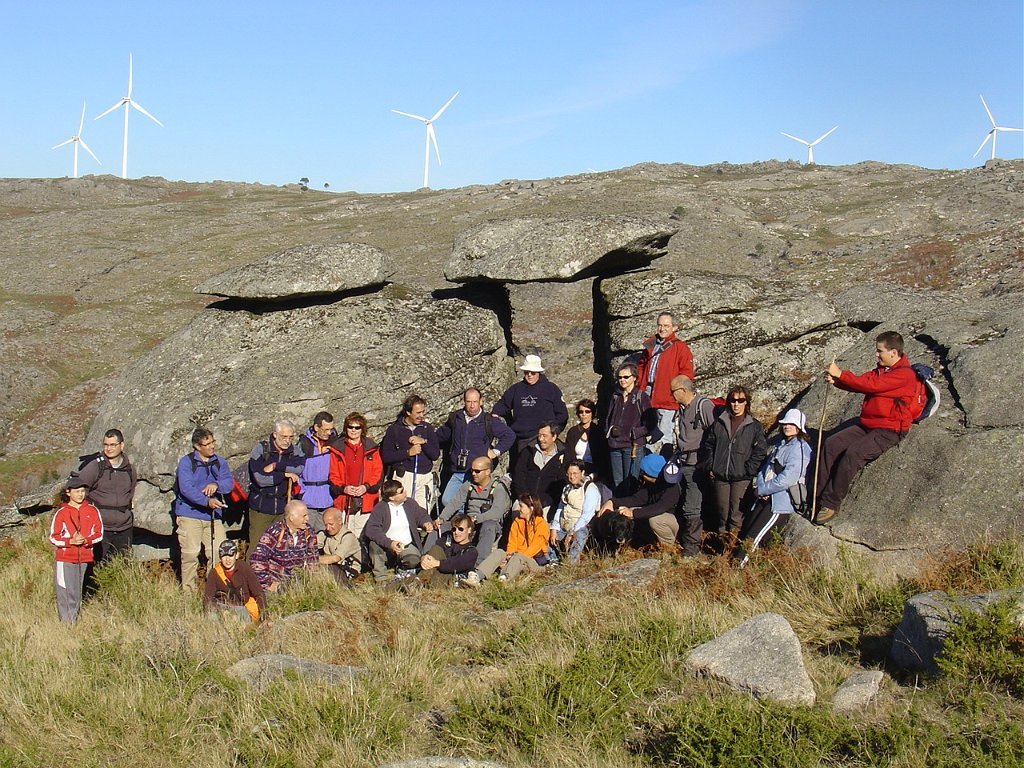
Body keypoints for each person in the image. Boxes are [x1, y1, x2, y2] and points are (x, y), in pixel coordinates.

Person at [816, 331, 925, 525]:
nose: (876, 354)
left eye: (879, 351)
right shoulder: (882, 370)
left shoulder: (904, 375)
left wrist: (841, 373)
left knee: (854, 453)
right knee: (832, 444)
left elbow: (872, 385)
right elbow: (863, 384)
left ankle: (831, 503)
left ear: (893, 352)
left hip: (890, 429)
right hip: (869, 423)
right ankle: (818, 495)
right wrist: (839, 382)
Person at [735, 409, 812, 568]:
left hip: (780, 503)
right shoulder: (780, 445)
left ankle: (737, 570)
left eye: (791, 424)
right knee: (748, 533)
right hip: (765, 498)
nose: (787, 426)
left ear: (799, 427)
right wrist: (761, 488)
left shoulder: (800, 449)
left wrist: (763, 490)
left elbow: (788, 478)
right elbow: (765, 469)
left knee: (755, 538)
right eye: (785, 423)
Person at [704, 385, 768, 550]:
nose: (736, 404)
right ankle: (722, 549)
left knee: (736, 515)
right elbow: (708, 445)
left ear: (747, 403)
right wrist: (711, 466)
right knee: (722, 513)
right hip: (721, 477)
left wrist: (749, 469)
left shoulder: (754, 426)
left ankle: (733, 549)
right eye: (733, 400)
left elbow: (760, 451)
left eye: (740, 401)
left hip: (741, 478)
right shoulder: (719, 423)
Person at [174, 427, 234, 592]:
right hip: (190, 515)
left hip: (214, 516)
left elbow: (229, 483)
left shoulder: (220, 462)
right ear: (197, 446)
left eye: (212, 442)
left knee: (219, 553)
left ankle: (215, 591)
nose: (211, 447)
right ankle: (188, 593)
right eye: (207, 444)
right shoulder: (186, 463)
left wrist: (217, 485)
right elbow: (186, 489)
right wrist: (206, 501)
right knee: (190, 555)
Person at [436, 388, 516, 508]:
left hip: (478, 472)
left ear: (481, 402)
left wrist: (496, 451)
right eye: (469, 402)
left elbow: (509, 435)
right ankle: (465, 521)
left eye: (475, 402)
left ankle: (468, 523)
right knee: (447, 501)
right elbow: (440, 436)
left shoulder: (488, 420)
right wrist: (424, 439)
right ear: (464, 402)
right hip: (458, 470)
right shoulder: (456, 418)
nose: (472, 406)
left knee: (473, 503)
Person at [433, 456, 511, 567]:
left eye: (477, 471)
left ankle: (477, 566)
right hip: (468, 525)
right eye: (472, 470)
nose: (473, 474)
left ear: (488, 472)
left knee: (489, 526)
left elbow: (497, 512)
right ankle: (428, 559)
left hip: (488, 524)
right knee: (440, 527)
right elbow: (455, 503)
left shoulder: (498, 488)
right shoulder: (468, 486)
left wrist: (476, 519)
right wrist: (441, 518)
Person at [669, 375, 716, 556]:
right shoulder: (682, 409)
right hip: (683, 463)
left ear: (683, 390)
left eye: (673, 391)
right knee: (684, 503)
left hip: (697, 465)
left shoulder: (703, 406)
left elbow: (715, 433)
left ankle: (691, 550)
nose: (671, 396)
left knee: (692, 506)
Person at [492, 355, 568, 466]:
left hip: (541, 439)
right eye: (527, 372)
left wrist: (552, 433)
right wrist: (495, 414)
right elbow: (503, 404)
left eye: (533, 372)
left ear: (539, 373)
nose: (529, 375)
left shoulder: (551, 389)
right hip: (519, 440)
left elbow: (562, 415)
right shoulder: (516, 389)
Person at [598, 453, 681, 552]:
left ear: (652, 473)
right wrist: (613, 502)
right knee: (626, 511)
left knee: (655, 520)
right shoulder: (650, 485)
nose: (641, 475)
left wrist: (633, 513)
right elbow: (636, 499)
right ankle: (651, 544)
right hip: (657, 516)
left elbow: (659, 507)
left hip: (670, 521)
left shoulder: (672, 488)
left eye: (643, 472)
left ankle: (668, 548)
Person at [77, 428, 137, 561]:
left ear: (122, 445)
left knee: (122, 566)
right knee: (97, 569)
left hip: (124, 528)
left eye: (112, 445)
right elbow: (78, 489)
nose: (108, 448)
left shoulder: (129, 469)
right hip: (100, 528)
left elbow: (130, 492)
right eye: (106, 445)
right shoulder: (95, 467)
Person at [637, 312, 695, 450]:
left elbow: (687, 374)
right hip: (648, 393)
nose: (662, 329)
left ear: (674, 328)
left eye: (666, 326)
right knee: (647, 433)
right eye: (660, 325)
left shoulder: (680, 348)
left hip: (667, 396)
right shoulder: (651, 345)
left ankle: (663, 467)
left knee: (664, 435)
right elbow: (641, 367)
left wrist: (676, 394)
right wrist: (639, 386)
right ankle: (648, 466)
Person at [49, 476, 104, 623]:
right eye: (77, 491)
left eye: (83, 491)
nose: (81, 494)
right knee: (64, 592)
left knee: (77, 593)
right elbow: (53, 537)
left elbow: (99, 533)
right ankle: (67, 624)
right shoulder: (61, 513)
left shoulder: (92, 511)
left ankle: (73, 622)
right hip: (65, 558)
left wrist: (87, 540)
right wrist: (70, 541)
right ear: (68, 493)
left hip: (85, 557)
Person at [247, 419, 306, 552]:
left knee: (280, 545)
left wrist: (276, 466)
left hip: (282, 506)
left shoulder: (295, 451)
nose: (287, 441)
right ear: (275, 434)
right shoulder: (261, 450)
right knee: (257, 546)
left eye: (291, 437)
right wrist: (284, 475)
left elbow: (300, 468)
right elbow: (260, 479)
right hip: (261, 506)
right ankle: (250, 572)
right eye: (284, 437)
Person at [327, 412, 384, 546]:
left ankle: (360, 562)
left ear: (362, 429)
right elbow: (333, 474)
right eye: (350, 427)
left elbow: (378, 472)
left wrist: (366, 487)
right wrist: (344, 488)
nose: (353, 430)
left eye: (357, 427)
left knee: (362, 533)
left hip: (366, 498)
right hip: (344, 498)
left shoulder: (372, 448)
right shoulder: (337, 448)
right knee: (344, 532)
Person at [363, 480, 434, 583]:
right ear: (392, 497)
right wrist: (389, 543)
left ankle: (401, 570)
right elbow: (371, 530)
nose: (405, 492)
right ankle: (381, 579)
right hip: (386, 547)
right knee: (374, 546)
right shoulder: (380, 508)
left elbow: (421, 515)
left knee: (414, 561)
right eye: (401, 492)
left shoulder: (410, 503)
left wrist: (425, 523)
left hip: (406, 545)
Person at [471, 494, 551, 584]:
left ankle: (504, 578)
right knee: (499, 552)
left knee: (518, 557)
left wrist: (512, 559)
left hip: (533, 562)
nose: (519, 509)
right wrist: (508, 557)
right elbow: (512, 543)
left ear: (531, 508)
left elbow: (534, 548)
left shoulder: (541, 524)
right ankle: (477, 575)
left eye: (521, 506)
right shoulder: (517, 522)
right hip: (516, 559)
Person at [380, 394, 441, 512]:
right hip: (404, 476)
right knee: (402, 511)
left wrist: (423, 442)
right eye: (418, 412)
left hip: (424, 476)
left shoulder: (427, 428)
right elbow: (386, 456)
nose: (421, 415)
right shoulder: (395, 429)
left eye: (423, 412)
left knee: (422, 512)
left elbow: (435, 455)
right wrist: (408, 453)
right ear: (408, 412)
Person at [248, 500, 319, 593]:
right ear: (292, 518)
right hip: (275, 585)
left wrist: (314, 583)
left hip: (299, 585)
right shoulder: (275, 531)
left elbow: (313, 560)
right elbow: (257, 559)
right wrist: (268, 583)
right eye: (304, 516)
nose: (307, 519)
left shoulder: (309, 533)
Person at [604, 363, 651, 493]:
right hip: (615, 445)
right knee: (617, 483)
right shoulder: (615, 397)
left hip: (633, 446)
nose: (622, 380)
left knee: (631, 482)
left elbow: (651, 422)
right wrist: (608, 432)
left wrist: (635, 433)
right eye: (620, 377)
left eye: (626, 377)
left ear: (634, 378)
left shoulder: (641, 397)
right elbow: (609, 417)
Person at [549, 460, 602, 565]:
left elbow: (587, 515)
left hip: (581, 527)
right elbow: (560, 508)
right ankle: (552, 561)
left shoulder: (590, 489)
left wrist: (572, 532)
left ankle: (570, 564)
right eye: (569, 474)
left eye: (575, 474)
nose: (572, 477)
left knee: (579, 535)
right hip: (564, 524)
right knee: (546, 533)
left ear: (582, 473)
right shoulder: (567, 488)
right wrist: (554, 528)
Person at [511, 422, 567, 516]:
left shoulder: (564, 456)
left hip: (547, 503)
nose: (541, 439)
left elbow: (561, 483)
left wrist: (544, 502)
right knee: (517, 514)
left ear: (554, 437)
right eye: (539, 435)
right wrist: (526, 498)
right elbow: (519, 476)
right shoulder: (528, 451)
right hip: (525, 499)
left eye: (544, 436)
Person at [203, 539, 266, 623]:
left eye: (231, 555)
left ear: (236, 555)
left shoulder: (244, 568)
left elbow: (259, 593)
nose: (227, 559)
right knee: (211, 617)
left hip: (242, 609)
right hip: (222, 609)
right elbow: (208, 599)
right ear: (220, 557)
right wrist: (219, 611)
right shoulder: (214, 573)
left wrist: (265, 617)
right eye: (224, 556)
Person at [297, 411, 337, 533]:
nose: (329, 433)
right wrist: (302, 492)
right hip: (308, 500)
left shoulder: (334, 442)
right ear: (316, 427)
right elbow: (296, 471)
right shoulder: (304, 444)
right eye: (325, 430)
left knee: (324, 536)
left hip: (327, 498)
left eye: (331, 429)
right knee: (305, 535)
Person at [417, 513, 478, 588]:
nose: (456, 532)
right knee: (436, 549)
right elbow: (434, 552)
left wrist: (438, 563)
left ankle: (419, 581)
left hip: (451, 578)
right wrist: (424, 558)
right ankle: (418, 581)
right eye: (454, 529)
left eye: (461, 529)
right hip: (436, 572)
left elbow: (458, 564)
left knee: (435, 581)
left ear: (469, 530)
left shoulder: (471, 551)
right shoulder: (447, 539)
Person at [317, 506, 361, 584]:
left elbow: (335, 558)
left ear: (340, 521)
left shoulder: (348, 537)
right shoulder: (324, 534)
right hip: (330, 566)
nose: (328, 528)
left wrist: (312, 560)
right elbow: (311, 545)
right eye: (325, 524)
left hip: (347, 570)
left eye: (331, 524)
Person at [563, 398, 606, 477]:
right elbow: (568, 456)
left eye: (587, 411)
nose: (584, 414)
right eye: (581, 412)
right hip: (576, 472)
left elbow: (603, 457)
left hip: (596, 472)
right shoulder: (572, 432)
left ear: (592, 413)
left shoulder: (598, 432)